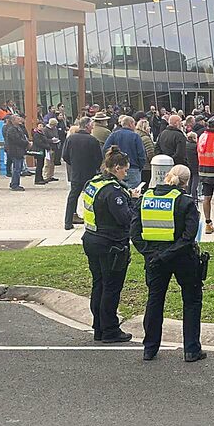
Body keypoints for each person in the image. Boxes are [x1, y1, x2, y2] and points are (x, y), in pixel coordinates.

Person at [131, 164, 205, 362]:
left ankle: (149, 348)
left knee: (155, 300)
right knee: (191, 301)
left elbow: (135, 233)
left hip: (154, 259)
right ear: (186, 183)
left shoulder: (145, 199)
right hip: (182, 258)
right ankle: (191, 350)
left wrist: (151, 254)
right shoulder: (185, 202)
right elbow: (189, 236)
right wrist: (167, 254)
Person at [80, 147, 138, 343]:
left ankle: (99, 327)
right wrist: (134, 201)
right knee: (111, 287)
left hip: (91, 238)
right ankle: (110, 330)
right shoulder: (113, 192)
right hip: (111, 244)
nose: (126, 174)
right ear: (116, 168)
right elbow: (126, 218)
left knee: (99, 284)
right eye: (125, 170)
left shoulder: (94, 183)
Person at [62, 117, 103, 230]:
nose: (92, 127)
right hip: (90, 172)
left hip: (76, 172)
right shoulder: (92, 140)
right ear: (87, 126)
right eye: (91, 125)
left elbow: (65, 155)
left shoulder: (70, 139)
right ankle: (94, 220)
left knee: (73, 197)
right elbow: (98, 158)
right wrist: (95, 167)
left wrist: (73, 164)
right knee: (93, 197)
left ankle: (68, 221)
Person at [104, 115, 147, 190]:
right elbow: (141, 154)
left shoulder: (114, 134)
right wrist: (140, 166)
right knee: (133, 192)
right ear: (130, 124)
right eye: (134, 124)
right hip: (133, 168)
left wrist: (112, 161)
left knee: (118, 190)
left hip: (117, 168)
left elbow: (105, 149)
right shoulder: (136, 136)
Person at [3, 115, 29, 191]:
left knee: (19, 168)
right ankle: (15, 185)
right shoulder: (11, 129)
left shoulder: (18, 128)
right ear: (13, 121)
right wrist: (26, 143)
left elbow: (22, 137)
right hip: (15, 151)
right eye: (17, 119)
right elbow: (17, 140)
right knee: (17, 169)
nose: (19, 120)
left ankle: (14, 183)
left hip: (20, 150)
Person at [136, 118, 156, 187]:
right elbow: (150, 153)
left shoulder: (136, 136)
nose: (149, 128)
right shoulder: (146, 138)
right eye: (148, 126)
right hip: (147, 166)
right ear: (144, 128)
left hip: (139, 166)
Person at [184, 131, 200, 199]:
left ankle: (188, 192)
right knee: (195, 179)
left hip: (188, 164)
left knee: (190, 179)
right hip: (196, 164)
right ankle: (194, 195)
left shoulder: (185, 145)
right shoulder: (196, 146)